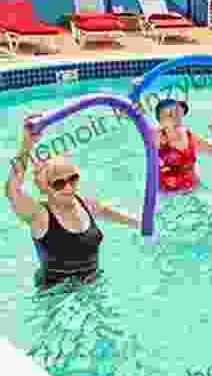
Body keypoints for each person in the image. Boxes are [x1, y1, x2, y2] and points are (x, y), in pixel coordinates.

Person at [5, 115, 140, 291]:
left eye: (73, 179)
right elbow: (12, 191)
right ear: (44, 188)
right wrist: (26, 145)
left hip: (94, 286)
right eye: (59, 183)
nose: (68, 187)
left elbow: (106, 212)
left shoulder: (83, 203)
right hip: (57, 297)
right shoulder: (40, 215)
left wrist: (140, 223)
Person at [154, 98, 212, 192]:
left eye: (177, 113)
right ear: (160, 121)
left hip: (192, 188)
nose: (176, 118)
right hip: (168, 195)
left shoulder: (188, 135)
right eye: (170, 115)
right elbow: (140, 122)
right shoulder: (157, 137)